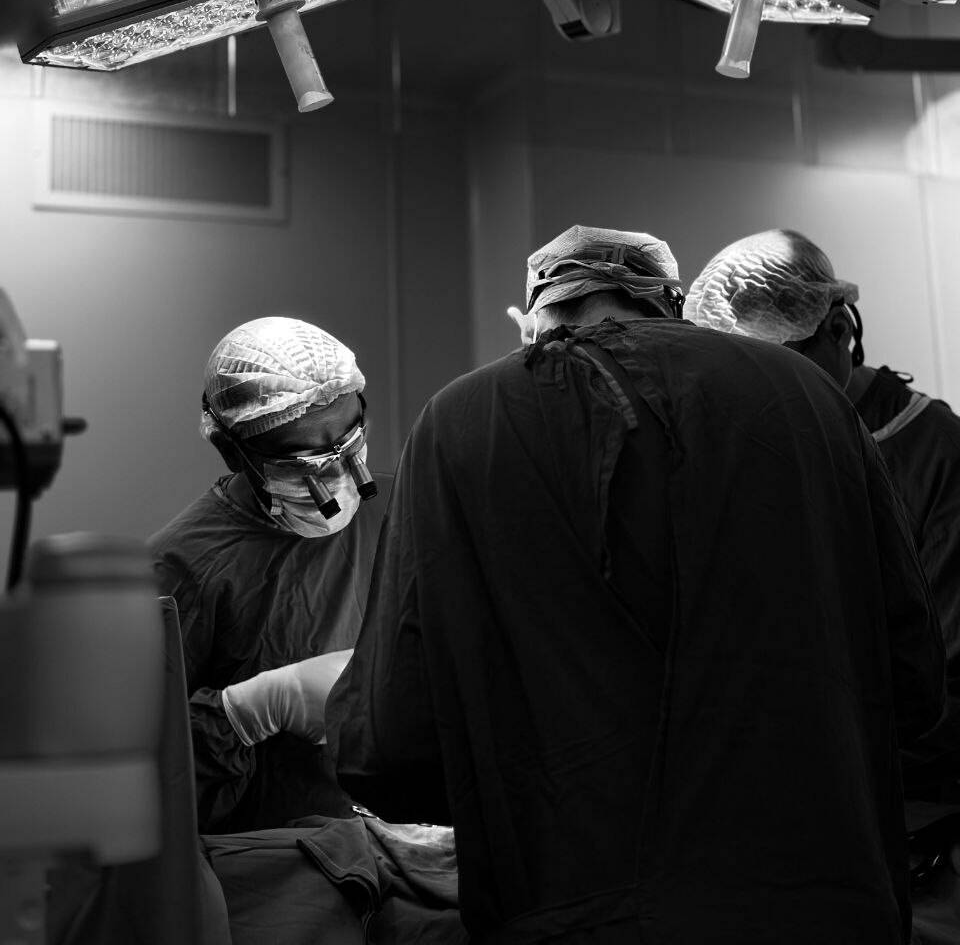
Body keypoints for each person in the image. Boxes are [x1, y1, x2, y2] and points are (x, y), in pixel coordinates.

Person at [326, 225, 945, 945]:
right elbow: (912, 681)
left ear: (535, 320)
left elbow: (387, 745)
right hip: (823, 900)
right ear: (673, 305)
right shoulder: (809, 396)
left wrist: (513, 802)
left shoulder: (459, 421)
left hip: (578, 910)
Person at [686, 229, 960, 809]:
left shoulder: (931, 450)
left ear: (838, 330)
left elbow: (942, 669)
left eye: (779, 365)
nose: (758, 388)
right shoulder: (759, 446)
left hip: (910, 796)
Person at [149, 315, 392, 833]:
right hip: (268, 859)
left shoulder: (402, 508)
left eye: (350, 443)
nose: (339, 477)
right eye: (304, 460)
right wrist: (247, 710)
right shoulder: (178, 567)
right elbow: (143, 778)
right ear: (232, 451)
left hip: (400, 838)